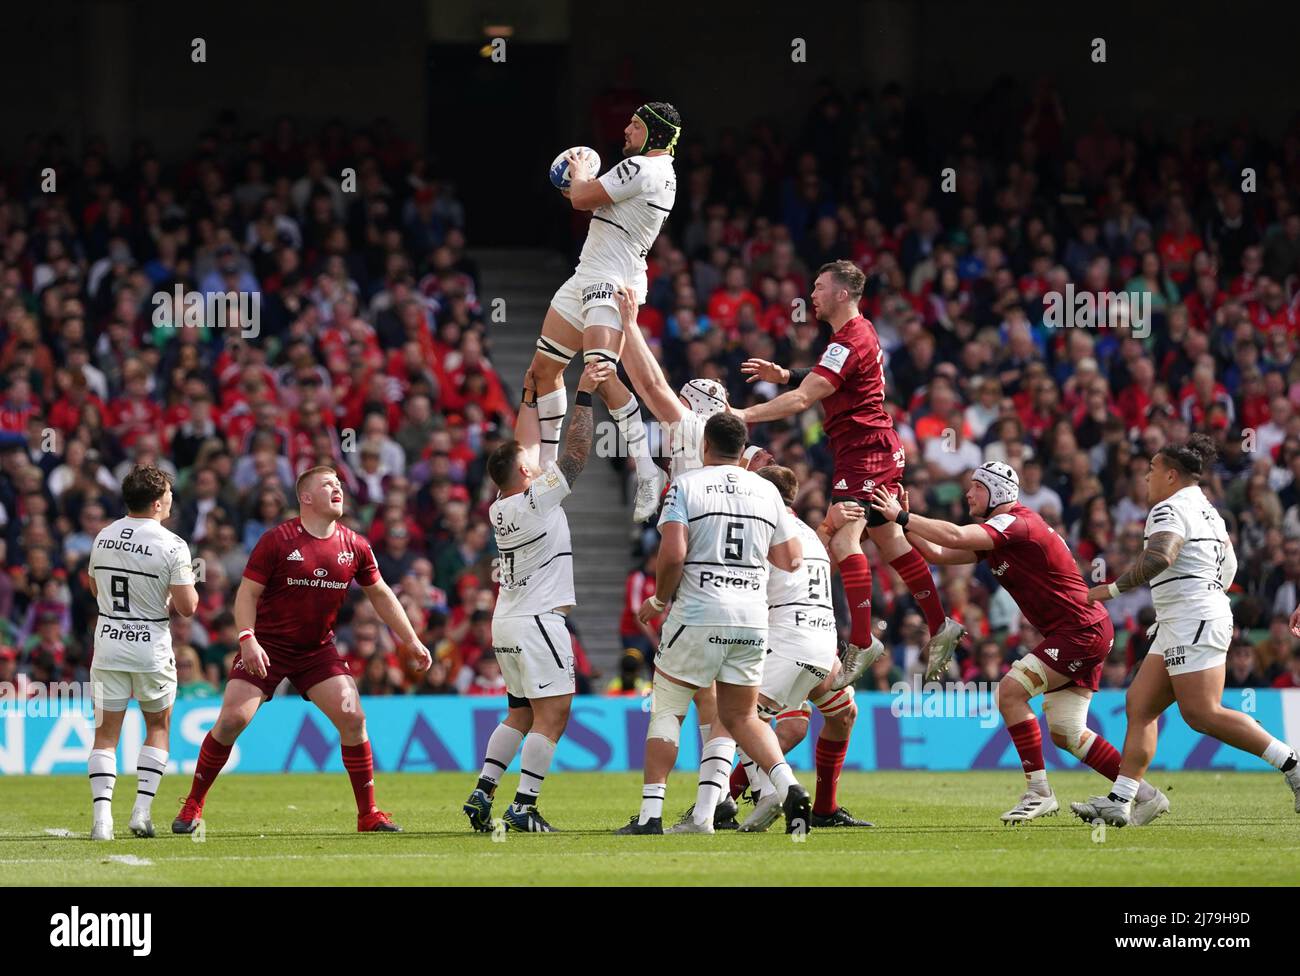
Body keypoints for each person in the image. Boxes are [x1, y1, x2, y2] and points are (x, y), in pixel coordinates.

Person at [870, 462, 1165, 824]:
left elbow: (956, 538)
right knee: (1067, 732)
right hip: (1082, 630)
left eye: (976, 488)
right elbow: (940, 554)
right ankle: (1146, 795)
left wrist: (902, 516)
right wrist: (905, 519)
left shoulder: (1016, 524)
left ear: (997, 491)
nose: (968, 494)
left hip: (1079, 631)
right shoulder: (1001, 532)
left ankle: (1039, 792)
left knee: (1010, 692)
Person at [736, 260, 963, 687]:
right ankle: (940, 625)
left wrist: (742, 414)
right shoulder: (853, 336)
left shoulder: (851, 337)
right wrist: (785, 373)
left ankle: (862, 640)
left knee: (843, 537)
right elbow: (827, 378)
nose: (812, 295)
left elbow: (805, 399)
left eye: (819, 287)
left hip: (864, 452)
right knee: (891, 540)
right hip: (870, 449)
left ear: (842, 294)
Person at [171, 465, 432, 834]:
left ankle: (368, 814)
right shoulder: (277, 540)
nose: (337, 488)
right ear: (305, 498)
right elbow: (246, 594)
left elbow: (381, 595)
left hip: (317, 650)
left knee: (353, 719)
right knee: (231, 721)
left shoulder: (355, 545)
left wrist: (412, 640)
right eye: (328, 484)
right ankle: (193, 806)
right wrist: (247, 638)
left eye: (339, 484)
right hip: (267, 646)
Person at [1073, 435, 1300, 825]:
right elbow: (1228, 570)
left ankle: (1293, 765)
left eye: (1152, 470)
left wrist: (1107, 590)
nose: (1146, 478)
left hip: (1192, 618)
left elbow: (1161, 555)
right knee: (1140, 706)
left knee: (1202, 713)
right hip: (1186, 618)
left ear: (1172, 475)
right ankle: (1124, 799)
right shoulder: (1211, 512)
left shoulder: (1168, 508)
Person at [614, 413, 812, 835]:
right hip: (752, 620)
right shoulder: (766, 490)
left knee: (668, 704)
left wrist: (659, 598)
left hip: (698, 612)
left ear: (705, 445)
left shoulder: (685, 486)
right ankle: (788, 784)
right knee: (741, 717)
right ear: (744, 451)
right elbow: (792, 559)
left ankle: (651, 816)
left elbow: (672, 555)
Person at [461, 361, 607, 833]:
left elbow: (526, 448)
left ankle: (483, 790)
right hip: (539, 620)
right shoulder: (535, 499)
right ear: (525, 471)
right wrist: (583, 394)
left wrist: (529, 396)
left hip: (508, 619)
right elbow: (576, 456)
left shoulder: (500, 505)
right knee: (554, 712)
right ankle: (523, 808)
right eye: (530, 461)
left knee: (520, 712)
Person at [525, 104, 682, 522]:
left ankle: (647, 471)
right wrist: (581, 185)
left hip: (611, 280)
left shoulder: (641, 169)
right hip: (588, 273)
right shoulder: (656, 172)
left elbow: (580, 199)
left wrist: (577, 169)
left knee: (600, 371)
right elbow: (593, 202)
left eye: (635, 124)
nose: (626, 128)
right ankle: (546, 465)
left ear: (653, 132)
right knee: (542, 370)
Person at [734, 467, 871, 831]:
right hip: (822, 646)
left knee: (733, 719)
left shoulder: (762, 529)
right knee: (833, 716)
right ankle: (816, 807)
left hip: (782, 640)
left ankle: (721, 802)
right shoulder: (810, 534)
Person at [85, 465, 198, 840]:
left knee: (105, 735)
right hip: (150, 645)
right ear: (156, 502)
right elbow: (188, 607)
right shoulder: (172, 544)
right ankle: (140, 812)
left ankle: (102, 821)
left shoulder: (103, 536)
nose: (170, 500)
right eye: (167, 494)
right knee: (157, 726)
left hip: (108, 642)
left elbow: (94, 587)